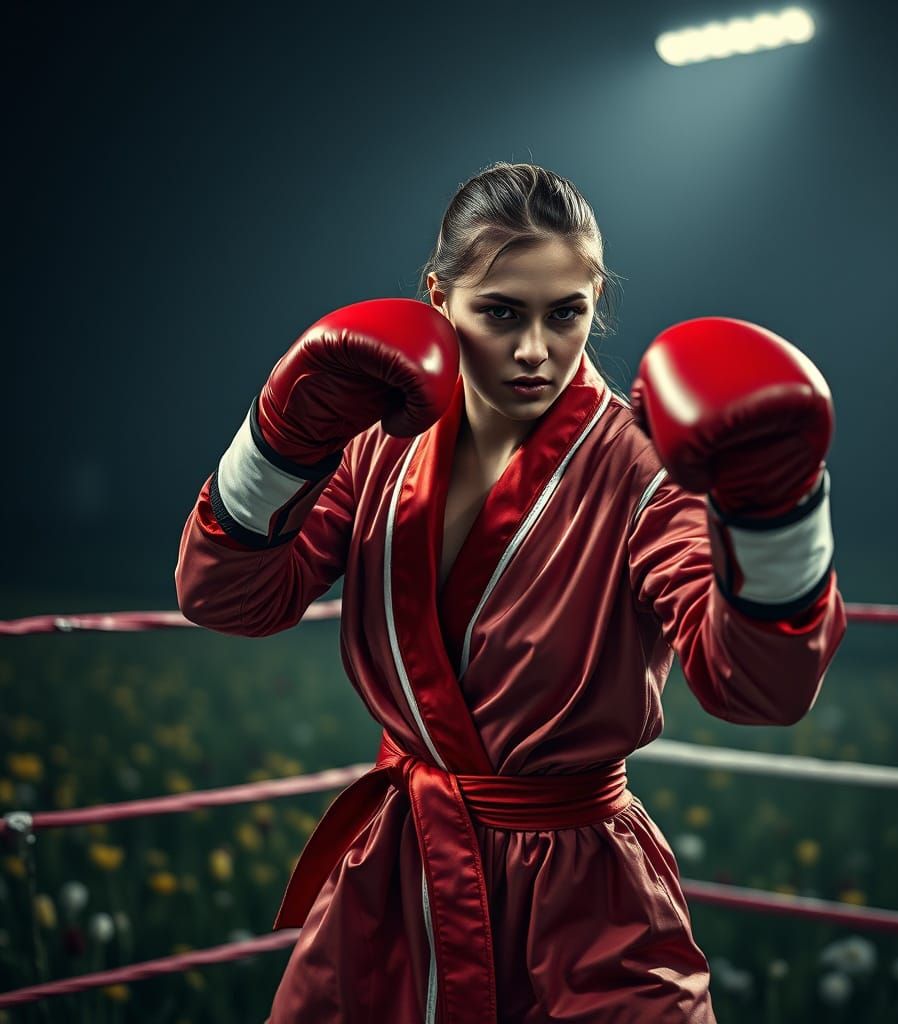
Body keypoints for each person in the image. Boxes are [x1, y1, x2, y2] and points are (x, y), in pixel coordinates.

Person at [175, 161, 846, 1023]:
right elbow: (225, 598)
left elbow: (762, 689)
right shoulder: (382, 442)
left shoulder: (640, 464)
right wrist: (278, 445)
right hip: (397, 880)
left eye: (566, 313)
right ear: (437, 296)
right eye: (500, 312)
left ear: (595, 301)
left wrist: (775, 514)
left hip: (584, 906)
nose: (536, 351)